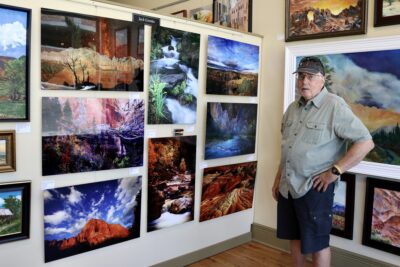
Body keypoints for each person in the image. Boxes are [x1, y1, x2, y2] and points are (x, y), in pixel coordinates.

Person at [272, 56, 374, 267]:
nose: (304, 81)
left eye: (310, 76)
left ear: (323, 79)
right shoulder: (292, 108)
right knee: (295, 235)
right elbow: (287, 149)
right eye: (301, 76)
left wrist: (335, 171)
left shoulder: (334, 106)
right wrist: (278, 179)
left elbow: (365, 142)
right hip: (288, 186)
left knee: (318, 243)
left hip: (315, 188)